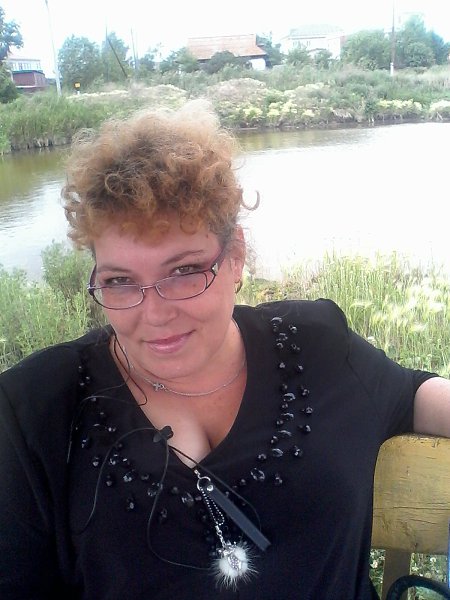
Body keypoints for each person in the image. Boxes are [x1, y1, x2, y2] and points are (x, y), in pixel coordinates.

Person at [0, 101, 449, 600]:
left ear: (235, 255)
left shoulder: (316, 345)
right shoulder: (35, 411)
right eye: (120, 281)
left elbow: (410, 394)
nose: (155, 313)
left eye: (184, 271)